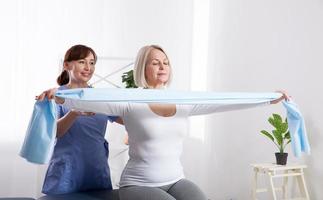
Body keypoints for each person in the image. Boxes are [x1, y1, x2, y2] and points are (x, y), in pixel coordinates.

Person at [38, 45, 290, 200]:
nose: (162, 66)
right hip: (137, 184)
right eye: (155, 62)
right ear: (142, 68)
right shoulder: (128, 100)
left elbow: (225, 102)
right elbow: (86, 100)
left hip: (176, 179)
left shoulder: (182, 101)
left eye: (166, 62)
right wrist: (58, 94)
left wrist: (267, 100)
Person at [37, 44, 122, 195]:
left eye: (92, 62)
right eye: (82, 62)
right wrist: (74, 113)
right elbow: (55, 132)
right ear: (66, 65)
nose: (88, 67)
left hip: (97, 171)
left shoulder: (100, 98)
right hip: (66, 172)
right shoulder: (57, 96)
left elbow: (127, 120)